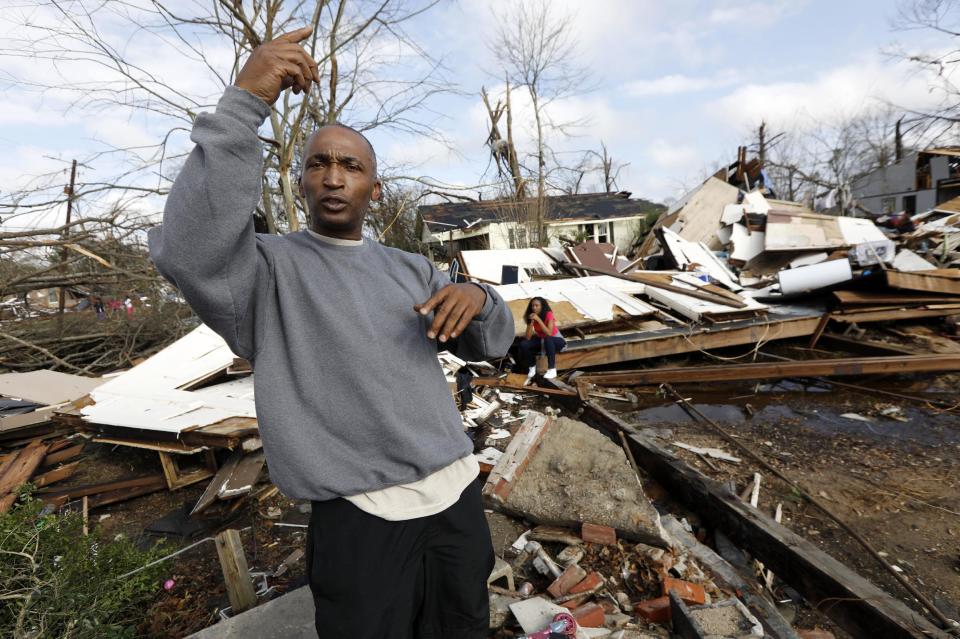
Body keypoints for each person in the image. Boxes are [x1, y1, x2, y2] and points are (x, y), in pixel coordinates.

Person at [147, 26, 514, 639]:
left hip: (455, 497)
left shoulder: (410, 268)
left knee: (463, 628)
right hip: (361, 517)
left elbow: (494, 342)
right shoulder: (264, 272)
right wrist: (244, 103)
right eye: (319, 163)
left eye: (351, 165)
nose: (335, 176)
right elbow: (188, 251)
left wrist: (479, 297)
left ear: (373, 186)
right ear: (301, 182)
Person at [517, 296, 565, 380]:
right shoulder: (531, 316)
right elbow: (528, 337)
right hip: (543, 341)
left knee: (547, 338)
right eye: (532, 306)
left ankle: (552, 369)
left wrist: (538, 320)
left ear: (542, 306)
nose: (534, 308)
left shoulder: (548, 314)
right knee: (524, 344)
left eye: (536, 305)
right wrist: (531, 323)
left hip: (556, 340)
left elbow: (549, 333)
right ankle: (532, 367)